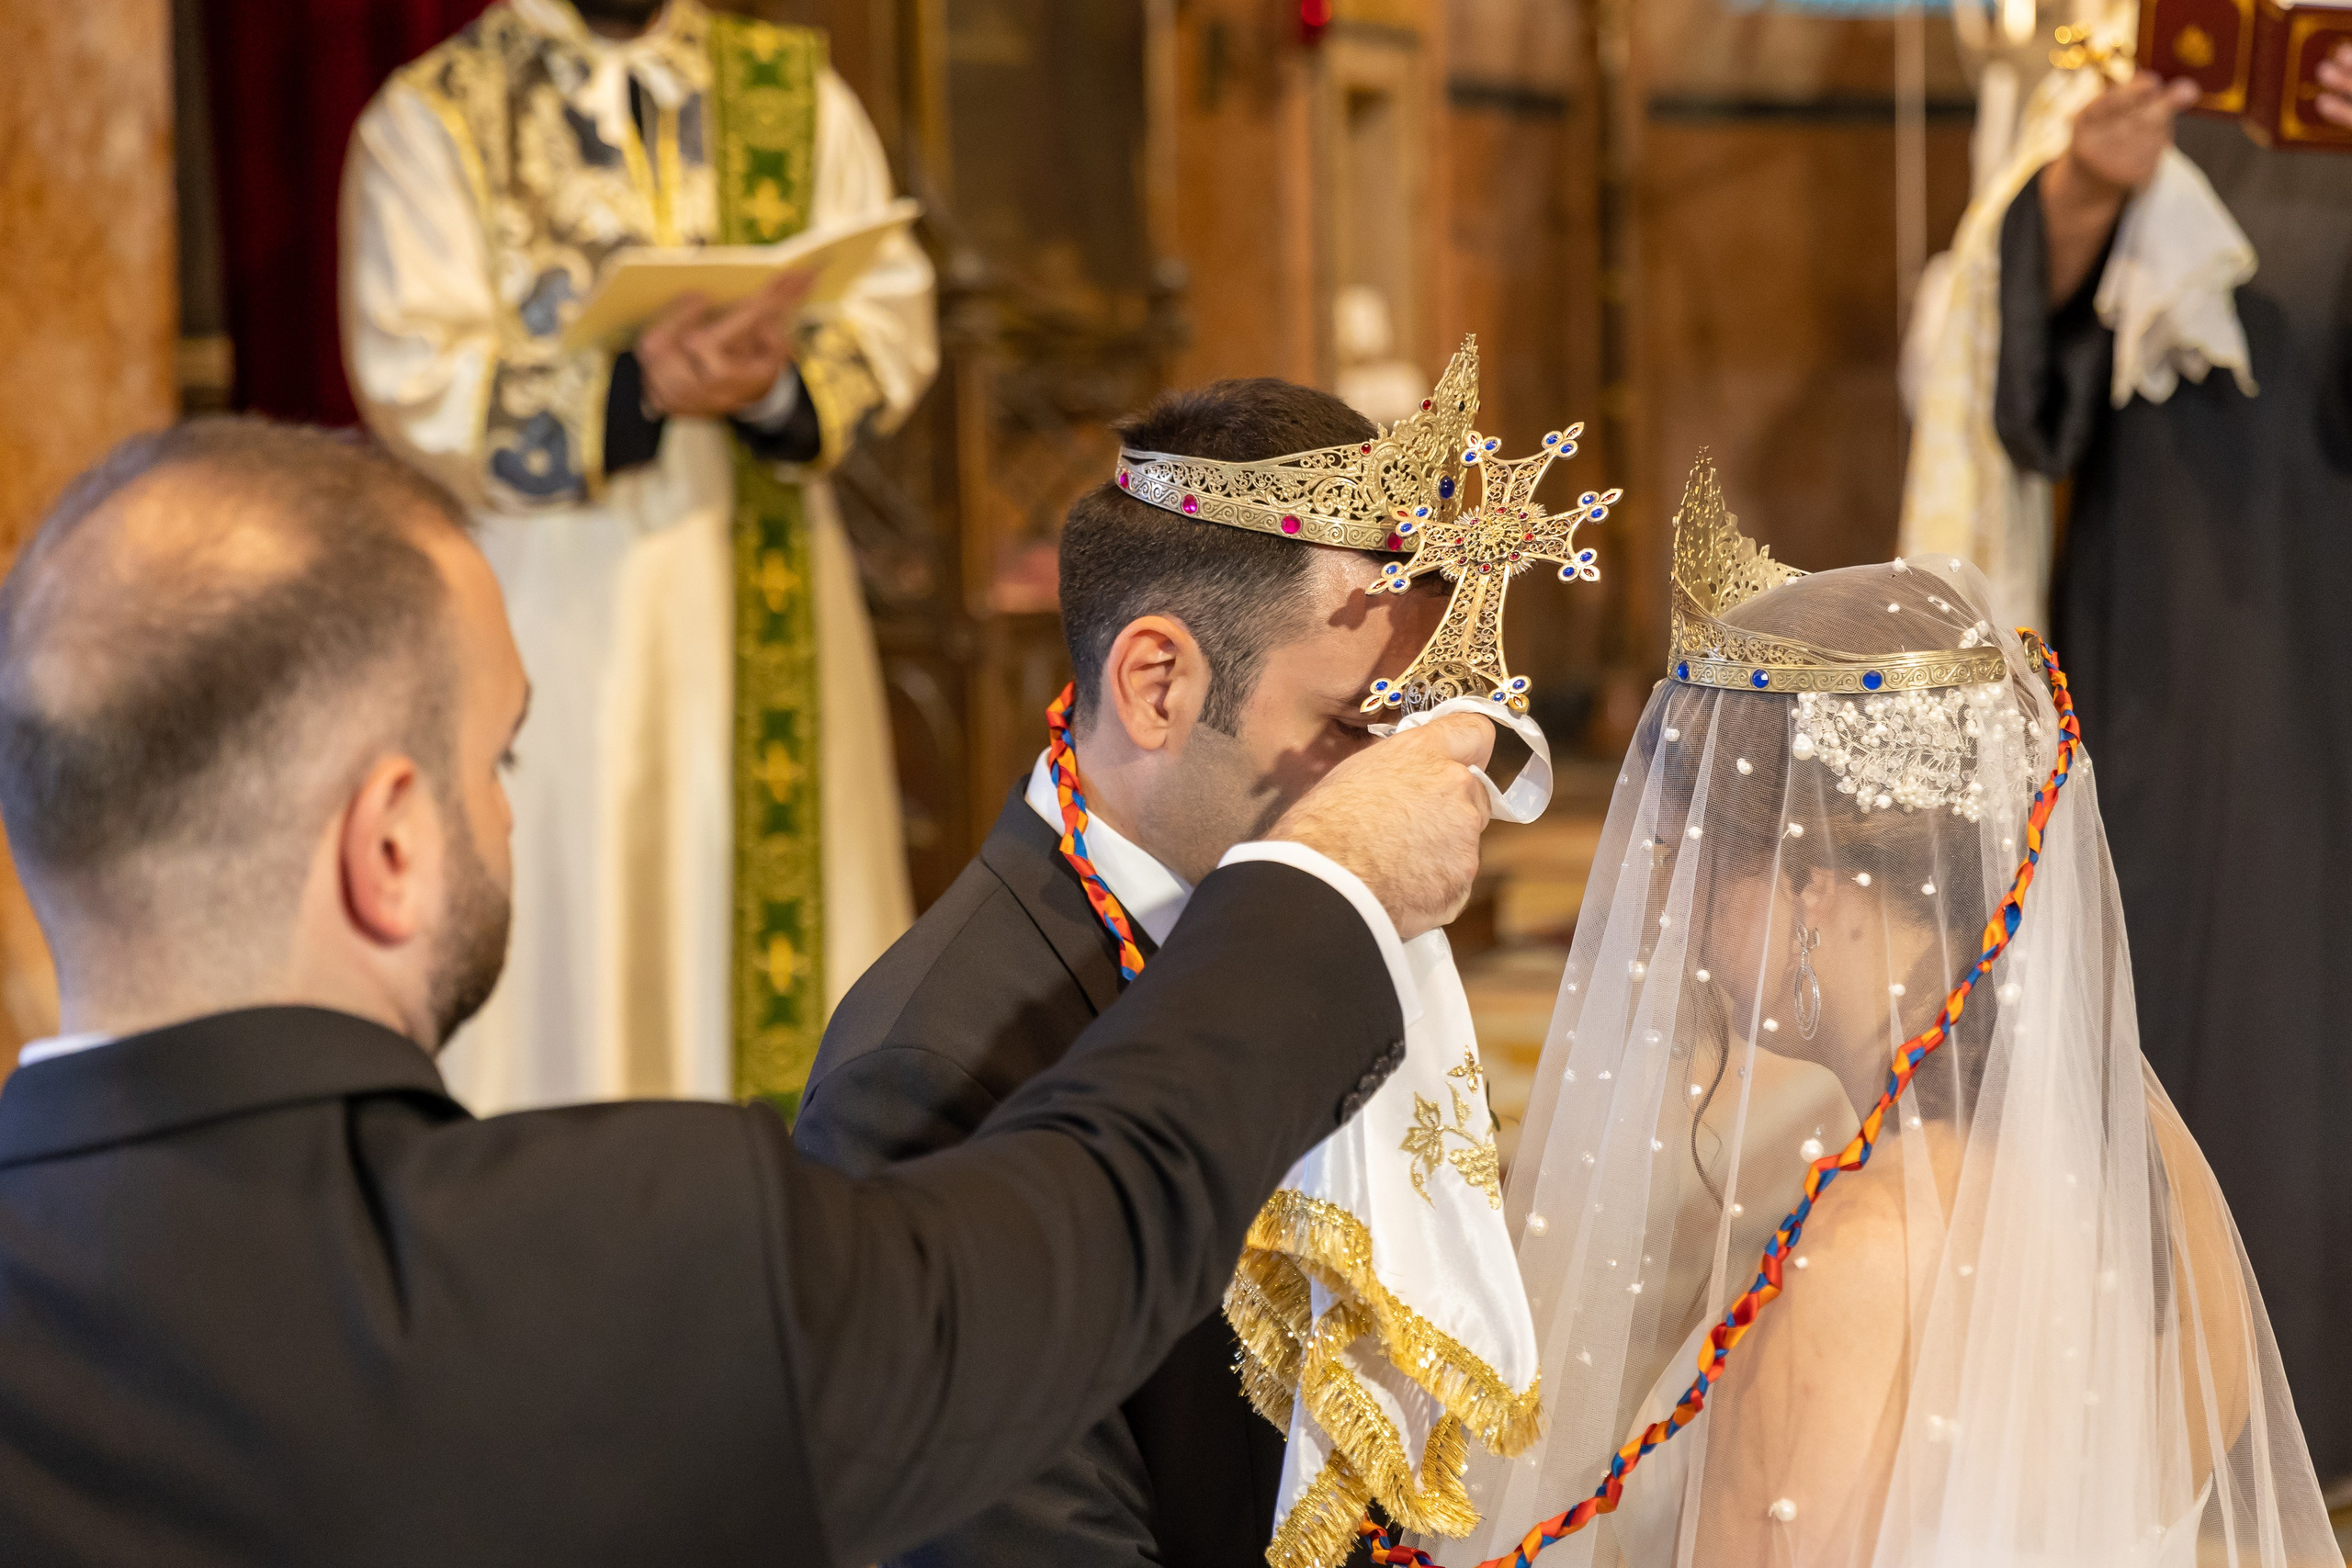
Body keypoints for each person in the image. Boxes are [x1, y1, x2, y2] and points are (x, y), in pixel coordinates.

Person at [0, 420, 1500, 1566]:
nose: (511, 815)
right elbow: (1097, 1208)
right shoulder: (619, 1254)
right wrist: (1329, 884)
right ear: (391, 844)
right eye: (497, 759)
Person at [1438, 472, 2337, 1567]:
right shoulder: (2145, 1154)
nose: (1665, 911)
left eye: (1686, 858)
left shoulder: (1854, 1262)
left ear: (1809, 885)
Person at [794, 377, 1443, 1568]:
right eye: (1359, 727)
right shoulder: (931, 1069)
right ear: (1158, 685)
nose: (1406, 790)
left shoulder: (1345, 935)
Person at [340, 0, 937, 1117]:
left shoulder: (790, 94)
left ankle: (783, 1205)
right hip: (551, 615)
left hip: (769, 593)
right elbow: (412, 373)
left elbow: (891, 308)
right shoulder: (438, 118)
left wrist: (770, 381)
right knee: (581, 924)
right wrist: (634, 388)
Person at [1905, 21, 2352, 1484]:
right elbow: (2028, 404)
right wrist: (2086, 195)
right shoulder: (2133, 64)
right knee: (2198, 977)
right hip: (2184, 624)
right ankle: (2198, 1400)